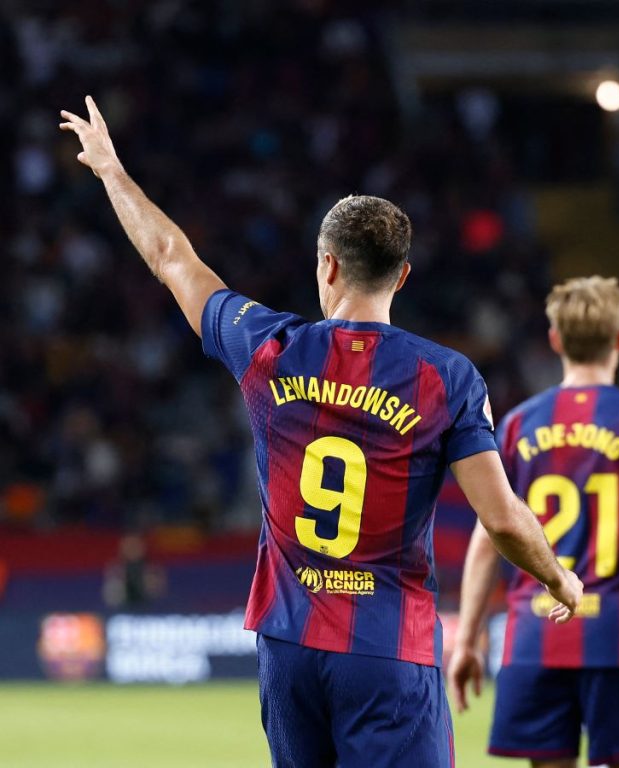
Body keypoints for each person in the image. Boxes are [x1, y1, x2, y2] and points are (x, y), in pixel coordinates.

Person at [59, 96, 582, 768]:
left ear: (327, 265)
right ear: (403, 275)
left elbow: (170, 257)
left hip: (288, 646)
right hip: (387, 653)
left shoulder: (266, 346)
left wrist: (110, 171)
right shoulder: (445, 377)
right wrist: (558, 578)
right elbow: (504, 520)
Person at [448, 276, 619, 768]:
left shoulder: (519, 424)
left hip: (536, 635)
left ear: (555, 339)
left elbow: (487, 537)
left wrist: (469, 636)